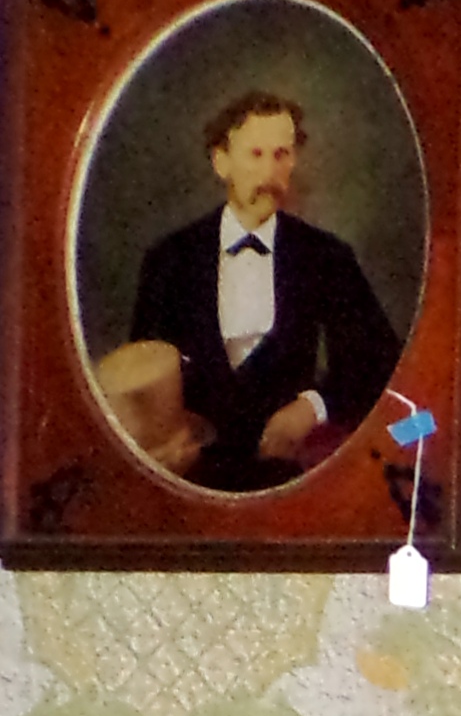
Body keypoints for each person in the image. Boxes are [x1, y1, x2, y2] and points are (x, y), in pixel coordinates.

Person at [122, 92, 402, 492]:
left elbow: (377, 362)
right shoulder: (170, 259)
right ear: (221, 162)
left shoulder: (326, 256)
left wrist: (311, 407)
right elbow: (140, 381)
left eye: (282, 154)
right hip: (190, 482)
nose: (270, 171)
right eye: (255, 154)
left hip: (289, 479)